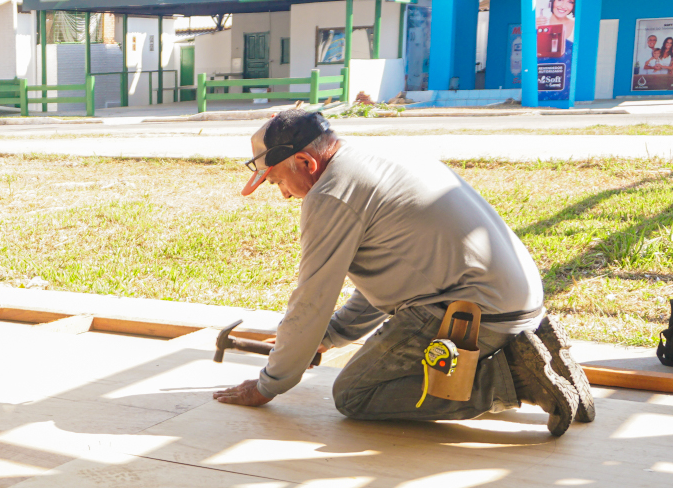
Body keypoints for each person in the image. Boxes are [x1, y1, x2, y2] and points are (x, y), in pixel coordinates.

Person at [213, 108, 595, 437]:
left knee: (355, 393)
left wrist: (269, 385)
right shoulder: (378, 160)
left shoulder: (330, 193)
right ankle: (540, 352)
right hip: (518, 306)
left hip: (474, 313)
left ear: (307, 163)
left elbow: (311, 300)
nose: (282, 193)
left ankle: (514, 380)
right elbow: (395, 280)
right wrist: (329, 337)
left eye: (278, 180)